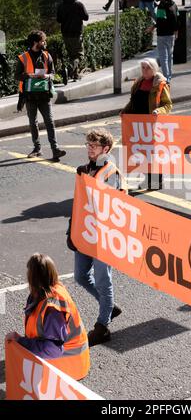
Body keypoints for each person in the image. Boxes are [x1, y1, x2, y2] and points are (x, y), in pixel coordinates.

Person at [67, 128, 126, 346]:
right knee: (81, 276)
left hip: (104, 235)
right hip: (85, 232)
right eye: (88, 145)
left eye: (94, 146)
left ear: (106, 149)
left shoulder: (111, 172)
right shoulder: (86, 169)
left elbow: (108, 206)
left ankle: (102, 326)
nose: (89, 149)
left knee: (103, 279)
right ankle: (109, 306)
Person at [5, 253, 90, 381]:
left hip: (68, 367)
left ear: (32, 278)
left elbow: (53, 350)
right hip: (67, 361)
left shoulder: (52, 308)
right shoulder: (45, 292)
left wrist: (21, 341)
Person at [120, 58, 172, 189]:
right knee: (140, 152)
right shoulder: (138, 82)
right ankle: (144, 178)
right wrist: (125, 111)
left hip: (152, 124)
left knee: (152, 152)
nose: (144, 70)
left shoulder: (160, 83)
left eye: (147, 68)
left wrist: (158, 111)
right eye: (143, 68)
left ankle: (156, 180)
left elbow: (167, 105)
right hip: (137, 123)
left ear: (154, 69)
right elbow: (133, 101)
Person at [15, 30, 66, 161]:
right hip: (29, 96)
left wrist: (47, 75)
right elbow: (16, 76)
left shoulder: (47, 56)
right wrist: (28, 76)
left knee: (49, 122)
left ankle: (55, 150)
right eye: (42, 41)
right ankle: (37, 149)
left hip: (44, 95)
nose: (44, 43)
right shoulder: (23, 58)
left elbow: (53, 73)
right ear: (35, 43)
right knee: (33, 123)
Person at [57, 0, 89, 81]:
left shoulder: (61, 5)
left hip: (65, 34)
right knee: (79, 55)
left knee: (71, 55)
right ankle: (70, 68)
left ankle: (75, 75)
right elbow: (86, 17)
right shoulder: (78, 4)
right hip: (76, 34)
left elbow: (58, 20)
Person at [147, 0, 179, 85]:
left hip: (162, 34)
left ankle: (166, 77)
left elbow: (160, 20)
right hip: (171, 34)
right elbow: (177, 18)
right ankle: (169, 75)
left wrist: (153, 27)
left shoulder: (161, 5)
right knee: (170, 56)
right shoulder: (173, 4)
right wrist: (176, 31)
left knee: (163, 57)